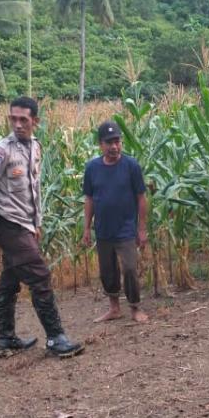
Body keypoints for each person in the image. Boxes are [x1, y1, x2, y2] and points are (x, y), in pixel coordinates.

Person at [0, 97, 84, 358]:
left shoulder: (35, 147)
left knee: (11, 279)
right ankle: (56, 338)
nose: (18, 124)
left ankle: (6, 339)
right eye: (13, 118)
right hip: (7, 222)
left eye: (24, 119)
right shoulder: (1, 151)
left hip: (25, 224)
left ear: (36, 121)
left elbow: (34, 189)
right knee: (40, 276)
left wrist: (37, 223)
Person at [82, 120, 150, 324]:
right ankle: (114, 308)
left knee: (129, 268)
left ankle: (135, 307)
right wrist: (86, 228)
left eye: (117, 141)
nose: (114, 146)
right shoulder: (92, 168)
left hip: (126, 228)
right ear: (100, 145)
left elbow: (141, 198)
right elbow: (89, 199)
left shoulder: (131, 166)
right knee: (107, 271)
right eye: (109, 142)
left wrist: (142, 228)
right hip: (103, 229)